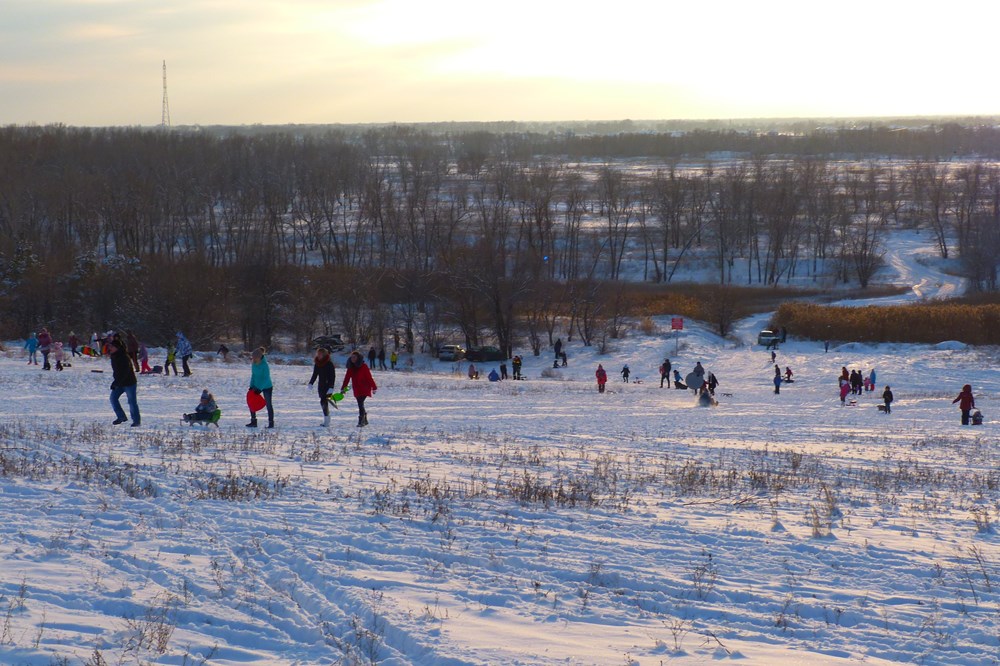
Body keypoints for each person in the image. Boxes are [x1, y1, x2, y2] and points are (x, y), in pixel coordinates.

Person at [107, 331, 140, 427]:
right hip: (120, 383)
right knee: (113, 398)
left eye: (112, 347)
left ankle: (136, 421)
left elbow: (124, 372)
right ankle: (121, 417)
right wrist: (116, 382)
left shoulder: (124, 357)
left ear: (117, 348)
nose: (110, 348)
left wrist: (116, 383)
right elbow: (117, 371)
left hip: (129, 383)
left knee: (132, 402)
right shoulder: (114, 356)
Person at [341, 349, 377, 427]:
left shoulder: (364, 366)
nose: (353, 359)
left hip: (365, 388)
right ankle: (365, 418)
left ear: (358, 358)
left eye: (354, 357)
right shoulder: (350, 367)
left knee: (360, 403)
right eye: (352, 357)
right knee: (360, 404)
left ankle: (361, 421)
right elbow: (347, 378)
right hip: (356, 388)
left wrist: (374, 387)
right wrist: (343, 388)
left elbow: (369, 377)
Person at [308, 347, 337, 427]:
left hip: (328, 386)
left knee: (324, 401)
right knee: (322, 401)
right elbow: (315, 374)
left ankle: (326, 420)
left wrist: (331, 387)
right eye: (318, 354)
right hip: (321, 385)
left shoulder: (329, 364)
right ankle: (327, 418)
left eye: (320, 354)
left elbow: (332, 376)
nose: (319, 355)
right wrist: (311, 383)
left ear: (324, 355)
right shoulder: (317, 363)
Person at [247, 347, 274, 428]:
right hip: (256, 385)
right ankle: (253, 421)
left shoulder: (265, 365)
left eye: (255, 358)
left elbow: (266, 378)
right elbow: (253, 375)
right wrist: (251, 386)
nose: (253, 360)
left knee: (268, 404)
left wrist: (260, 389)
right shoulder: (254, 364)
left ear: (259, 357)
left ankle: (271, 423)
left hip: (267, 386)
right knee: (251, 402)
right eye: (253, 358)